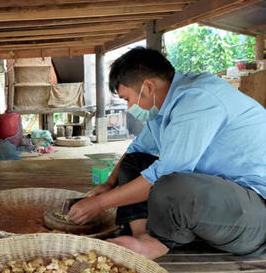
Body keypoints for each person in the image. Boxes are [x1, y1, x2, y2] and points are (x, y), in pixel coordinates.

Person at [69, 47, 266, 259]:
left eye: (128, 99)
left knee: (171, 187)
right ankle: (143, 236)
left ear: (148, 87)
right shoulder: (162, 108)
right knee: (135, 162)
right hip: (216, 198)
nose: (128, 107)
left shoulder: (198, 99)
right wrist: (108, 184)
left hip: (254, 213)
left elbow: (164, 173)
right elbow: (137, 149)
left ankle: (159, 243)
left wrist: (100, 203)